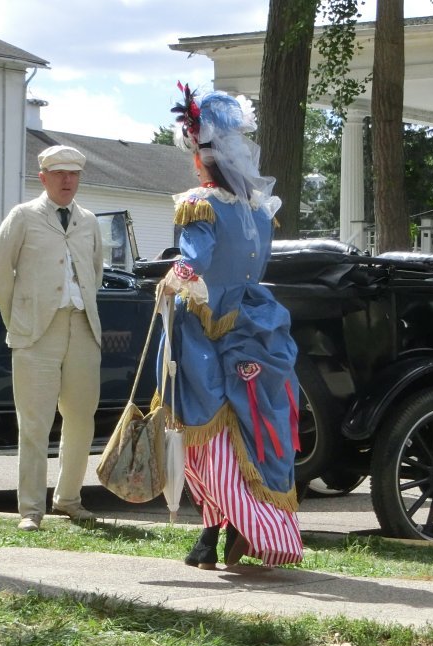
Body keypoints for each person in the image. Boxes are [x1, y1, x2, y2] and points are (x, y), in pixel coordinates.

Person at [162, 84, 303, 569]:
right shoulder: (258, 211)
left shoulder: (200, 204)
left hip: (206, 330)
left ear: (202, 158)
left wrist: (176, 277)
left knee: (210, 435)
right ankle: (248, 527)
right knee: (256, 426)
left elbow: (195, 257)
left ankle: (214, 532)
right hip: (255, 323)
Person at [0, 145, 104, 530]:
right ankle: (31, 510)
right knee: (35, 422)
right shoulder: (23, 216)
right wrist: (17, 318)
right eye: (59, 174)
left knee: (81, 419)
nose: (67, 181)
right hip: (36, 331)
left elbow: (96, 272)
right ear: (43, 177)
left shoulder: (88, 220)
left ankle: (69, 498)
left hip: (83, 326)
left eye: (74, 174)